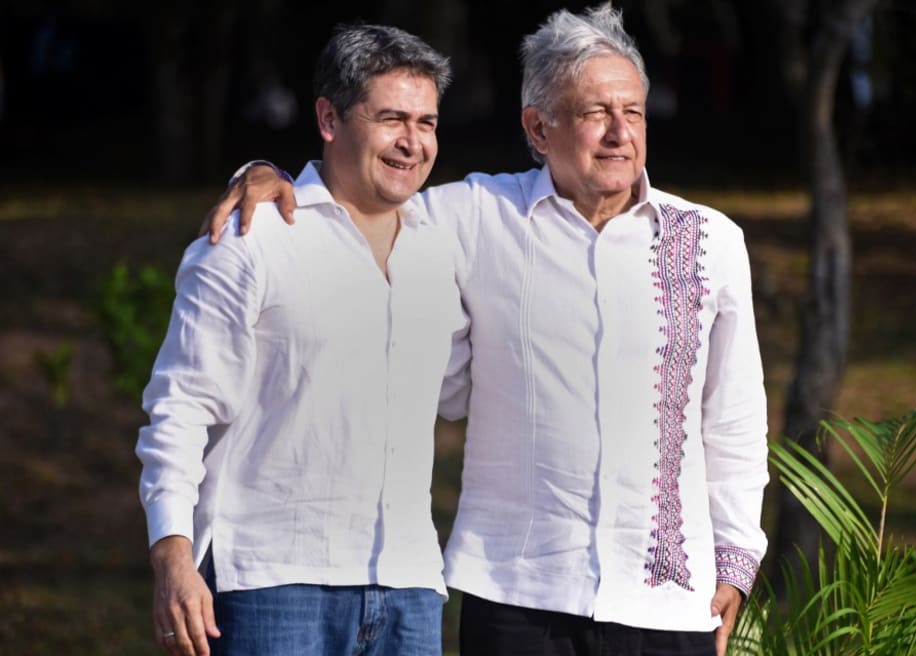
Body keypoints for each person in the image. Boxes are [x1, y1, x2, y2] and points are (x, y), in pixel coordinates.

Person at [207, 4, 768, 655]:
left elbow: (733, 417)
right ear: (538, 127)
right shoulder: (477, 214)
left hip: (667, 604)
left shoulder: (711, 241)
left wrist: (736, 559)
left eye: (633, 112)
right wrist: (262, 174)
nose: (619, 132)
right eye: (594, 112)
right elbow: (356, 196)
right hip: (516, 597)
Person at [137, 23, 468, 656]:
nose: (413, 142)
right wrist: (173, 557)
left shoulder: (444, 245)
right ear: (328, 117)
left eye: (426, 122)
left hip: (409, 588)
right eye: (391, 119)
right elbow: (180, 409)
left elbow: (462, 389)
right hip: (272, 585)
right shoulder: (251, 238)